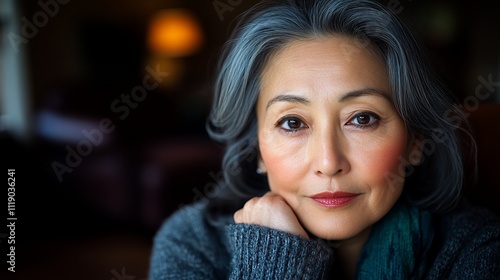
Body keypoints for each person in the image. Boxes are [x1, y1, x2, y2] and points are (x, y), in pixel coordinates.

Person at [149, 0, 500, 279]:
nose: (329, 162)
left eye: (362, 119)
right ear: (256, 147)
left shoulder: (475, 247)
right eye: (292, 123)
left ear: (415, 142)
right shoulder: (192, 242)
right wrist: (273, 262)